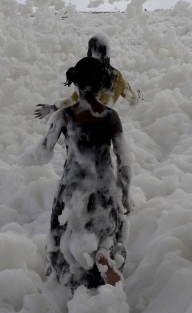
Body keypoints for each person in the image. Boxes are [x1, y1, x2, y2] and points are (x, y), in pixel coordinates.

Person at [23, 56, 132, 291]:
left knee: (61, 238)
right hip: (104, 187)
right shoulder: (111, 116)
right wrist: (124, 193)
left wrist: (29, 155)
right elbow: (124, 160)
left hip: (72, 189)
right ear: (103, 84)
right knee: (110, 232)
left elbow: (43, 153)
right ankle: (103, 256)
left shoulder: (63, 116)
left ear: (76, 84)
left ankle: (63, 284)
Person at [34, 33, 139, 119]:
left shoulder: (87, 72)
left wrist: (53, 108)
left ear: (90, 51)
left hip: (82, 124)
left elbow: (73, 99)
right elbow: (133, 99)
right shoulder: (117, 76)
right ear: (107, 52)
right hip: (105, 123)